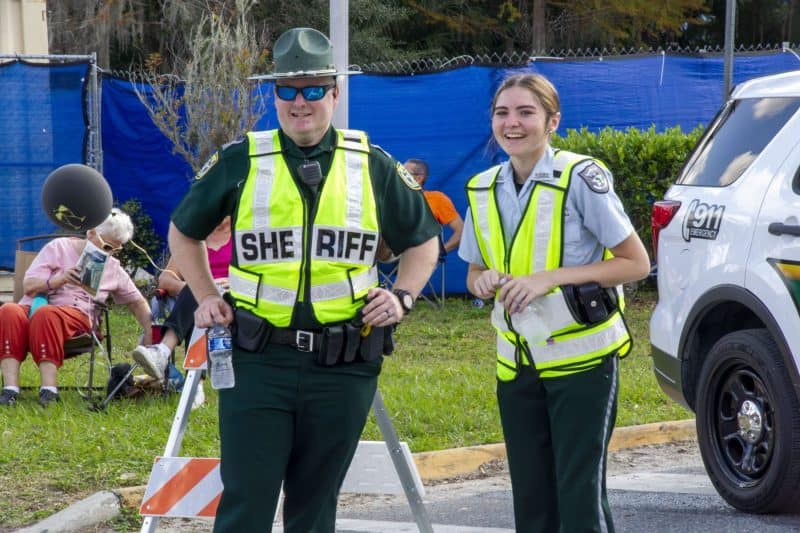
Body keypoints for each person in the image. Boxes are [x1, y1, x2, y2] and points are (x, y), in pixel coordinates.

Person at [166, 27, 440, 532]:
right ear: (273, 97)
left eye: (313, 89)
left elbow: (424, 241)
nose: (300, 102)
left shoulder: (371, 164)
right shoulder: (240, 160)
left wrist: (402, 297)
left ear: (335, 94)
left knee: (315, 506)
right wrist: (205, 295)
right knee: (247, 501)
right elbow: (183, 233)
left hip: (344, 364)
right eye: (287, 90)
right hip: (257, 361)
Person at [458, 73, 650, 532]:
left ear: (552, 121)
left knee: (578, 499)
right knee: (531, 499)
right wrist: (485, 283)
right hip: (517, 365)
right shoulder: (481, 188)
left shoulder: (581, 177)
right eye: (502, 113)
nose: (513, 123)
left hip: (582, 362)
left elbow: (636, 263)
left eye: (526, 112)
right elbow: (472, 273)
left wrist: (549, 279)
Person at [0, 208, 153, 407]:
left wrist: (153, 332)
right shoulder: (58, 247)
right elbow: (28, 286)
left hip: (76, 317)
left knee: (46, 315)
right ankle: (10, 389)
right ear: (91, 233)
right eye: (107, 246)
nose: (109, 253)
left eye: (116, 249)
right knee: (8, 311)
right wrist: (57, 280)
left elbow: (137, 302)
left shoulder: (112, 267)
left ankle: (49, 390)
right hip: (35, 306)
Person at [132, 216, 232, 409]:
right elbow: (166, 279)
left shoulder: (240, 237)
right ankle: (194, 385)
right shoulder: (193, 240)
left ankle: (164, 352)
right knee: (199, 292)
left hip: (232, 301)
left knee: (201, 291)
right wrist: (198, 287)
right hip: (199, 305)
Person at [404, 158, 464, 254]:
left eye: (404, 174)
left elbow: (461, 231)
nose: (398, 177)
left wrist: (441, 251)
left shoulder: (437, 199)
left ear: (419, 178)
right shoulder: (390, 198)